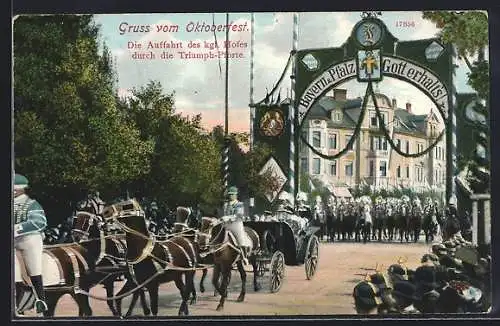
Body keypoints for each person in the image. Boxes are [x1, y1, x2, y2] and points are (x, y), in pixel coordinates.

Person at [14, 173, 48, 314]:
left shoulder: (32, 204)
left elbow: (39, 222)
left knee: (34, 269)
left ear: (18, 189)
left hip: (29, 239)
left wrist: (16, 228)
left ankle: (41, 300)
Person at [221, 186, 251, 265]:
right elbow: (224, 214)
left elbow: (239, 215)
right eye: (230, 194)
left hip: (236, 224)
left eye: (232, 194)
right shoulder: (226, 204)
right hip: (227, 224)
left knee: (240, 239)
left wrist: (228, 217)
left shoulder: (239, 204)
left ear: (236, 195)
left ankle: (244, 257)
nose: (231, 196)